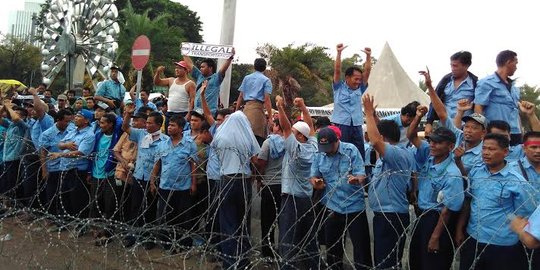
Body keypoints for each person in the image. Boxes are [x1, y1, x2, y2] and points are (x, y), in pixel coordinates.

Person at [457, 133, 535, 270]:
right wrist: (460, 229)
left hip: (502, 244)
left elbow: (525, 214)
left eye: (492, 149)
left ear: (505, 152)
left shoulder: (516, 182)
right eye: (484, 148)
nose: (486, 153)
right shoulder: (476, 172)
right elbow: (469, 201)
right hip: (473, 237)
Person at [406, 105, 464, 270]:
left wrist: (435, 237)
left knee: (433, 263)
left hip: (438, 221)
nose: (432, 145)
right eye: (431, 141)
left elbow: (447, 210)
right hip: (422, 216)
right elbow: (411, 136)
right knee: (416, 260)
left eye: (438, 143)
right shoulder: (429, 156)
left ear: (450, 147)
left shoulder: (452, 174)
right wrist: (417, 117)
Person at [363, 94, 415, 269]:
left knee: (386, 263)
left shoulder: (397, 154)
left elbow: (376, 140)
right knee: (384, 261)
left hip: (391, 216)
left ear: (384, 136)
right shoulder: (387, 157)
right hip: (384, 215)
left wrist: (368, 114)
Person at [310, 127, 372, 270]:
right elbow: (313, 176)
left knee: (361, 248)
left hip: (354, 207)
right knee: (333, 249)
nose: (327, 150)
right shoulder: (320, 154)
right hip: (332, 207)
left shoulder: (350, 151)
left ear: (337, 141)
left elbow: (361, 174)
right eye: (323, 147)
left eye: (329, 146)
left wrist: (357, 179)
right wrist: (316, 183)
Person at [211, 110, 260, 269]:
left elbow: (216, 153)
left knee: (227, 223)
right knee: (243, 223)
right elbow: (256, 160)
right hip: (244, 181)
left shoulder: (220, 134)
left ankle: (229, 263)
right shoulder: (247, 136)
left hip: (226, 179)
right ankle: (244, 261)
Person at [276, 95, 320, 269]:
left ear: (300, 137)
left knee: (287, 238)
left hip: (291, 199)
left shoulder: (297, 149)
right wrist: (303, 106)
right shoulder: (313, 146)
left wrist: (280, 107)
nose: (290, 136)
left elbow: (286, 128)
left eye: (295, 134)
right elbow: (310, 127)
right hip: (307, 198)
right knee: (308, 238)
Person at [421, 69, 485, 175]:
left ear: (483, 133)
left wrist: (458, 161)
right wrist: (430, 87)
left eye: (474, 128)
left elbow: (469, 181)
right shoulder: (459, 136)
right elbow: (442, 113)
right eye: (466, 126)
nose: (468, 130)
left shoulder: (484, 152)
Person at [121, 109, 168, 250]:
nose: (147, 125)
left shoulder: (165, 140)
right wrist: (128, 115)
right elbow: (125, 127)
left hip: (152, 180)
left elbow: (160, 162)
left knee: (150, 208)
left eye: (150, 123)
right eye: (146, 122)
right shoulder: (141, 134)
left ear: (159, 125)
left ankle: (148, 237)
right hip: (138, 176)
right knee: (135, 206)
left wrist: (154, 181)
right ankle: (132, 235)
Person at [151, 115, 197, 252]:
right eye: (169, 125)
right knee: (166, 216)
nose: (169, 128)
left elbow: (193, 165)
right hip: (165, 186)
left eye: (173, 125)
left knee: (183, 217)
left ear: (181, 128)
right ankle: (167, 244)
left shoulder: (189, 145)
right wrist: (152, 182)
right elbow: (157, 164)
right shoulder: (162, 145)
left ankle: (184, 244)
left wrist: (193, 184)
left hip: (183, 187)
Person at [48, 109, 95, 229]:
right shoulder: (73, 131)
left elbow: (80, 152)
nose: (75, 118)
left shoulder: (89, 135)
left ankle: (81, 225)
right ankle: (65, 222)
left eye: (79, 116)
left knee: (78, 199)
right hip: (65, 168)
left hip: (77, 171)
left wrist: (60, 154)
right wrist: (67, 145)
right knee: (64, 198)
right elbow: (60, 144)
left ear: (86, 121)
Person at [87, 112, 123, 245]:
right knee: (95, 203)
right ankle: (96, 229)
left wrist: (114, 111)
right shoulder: (98, 135)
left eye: (103, 123)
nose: (100, 125)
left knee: (110, 204)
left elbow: (119, 121)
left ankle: (108, 232)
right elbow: (92, 154)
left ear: (110, 124)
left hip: (110, 175)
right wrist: (90, 172)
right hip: (97, 174)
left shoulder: (117, 136)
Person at [330, 43, 371, 158]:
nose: (358, 81)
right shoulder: (338, 87)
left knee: (358, 153)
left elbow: (367, 72)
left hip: (357, 125)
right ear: (347, 78)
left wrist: (368, 56)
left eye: (360, 79)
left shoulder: (360, 89)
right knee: (341, 152)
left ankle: (359, 174)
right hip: (341, 124)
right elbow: (337, 70)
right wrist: (338, 53)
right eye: (356, 79)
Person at [474, 50, 522, 145]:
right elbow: (478, 108)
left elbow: (515, 111)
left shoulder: (514, 88)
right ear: (508, 62)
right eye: (515, 63)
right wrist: (483, 130)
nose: (516, 67)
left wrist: (521, 131)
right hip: (496, 133)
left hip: (515, 132)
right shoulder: (486, 83)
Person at [425, 51, 478, 135]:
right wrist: (429, 122)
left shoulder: (475, 83)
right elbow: (434, 101)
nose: (452, 68)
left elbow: (478, 107)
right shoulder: (445, 80)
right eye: (451, 65)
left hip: (464, 129)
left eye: (455, 66)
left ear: (466, 66)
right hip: (444, 126)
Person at [510, 131, 540, 270]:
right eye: (533, 147)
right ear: (524, 148)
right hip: (517, 234)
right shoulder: (511, 171)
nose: (538, 151)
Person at [255, 118, 285, 259]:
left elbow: (261, 163)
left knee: (267, 220)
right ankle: (284, 250)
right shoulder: (289, 142)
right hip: (284, 186)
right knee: (283, 221)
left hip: (269, 185)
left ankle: (267, 250)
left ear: (278, 127)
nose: (272, 127)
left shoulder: (268, 142)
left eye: (274, 125)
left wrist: (259, 179)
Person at [112, 106, 145, 223]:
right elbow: (115, 150)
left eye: (137, 120)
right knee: (119, 199)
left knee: (132, 202)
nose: (134, 122)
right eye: (133, 120)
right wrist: (123, 161)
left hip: (136, 174)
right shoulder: (126, 135)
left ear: (145, 123)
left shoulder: (145, 136)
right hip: (121, 172)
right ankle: (117, 223)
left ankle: (128, 224)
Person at [39, 109, 73, 220]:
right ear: (58, 120)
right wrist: (44, 170)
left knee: (64, 195)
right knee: (52, 194)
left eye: (69, 121)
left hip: (67, 167)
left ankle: (64, 218)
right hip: (53, 168)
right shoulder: (47, 134)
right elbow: (43, 152)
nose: (68, 124)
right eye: (66, 121)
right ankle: (51, 218)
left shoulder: (71, 130)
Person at [183, 48, 235, 114]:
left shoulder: (216, 78)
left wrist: (230, 58)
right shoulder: (199, 76)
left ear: (210, 68)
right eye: (200, 67)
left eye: (203, 67)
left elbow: (223, 69)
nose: (200, 69)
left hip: (210, 113)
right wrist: (184, 52)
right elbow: (189, 65)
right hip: (197, 112)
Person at [235, 58, 273, 146]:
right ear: (264, 68)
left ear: (254, 67)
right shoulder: (266, 80)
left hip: (246, 110)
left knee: (244, 137)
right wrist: (270, 117)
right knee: (257, 139)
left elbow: (240, 96)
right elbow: (267, 99)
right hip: (257, 111)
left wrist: (236, 111)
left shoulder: (247, 78)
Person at [0, 100, 31, 201]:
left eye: (16, 112)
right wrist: (4, 106)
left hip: (15, 158)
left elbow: (16, 118)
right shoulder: (10, 125)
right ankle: (6, 204)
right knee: (5, 184)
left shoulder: (23, 126)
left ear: (23, 117)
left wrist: (9, 108)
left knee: (13, 184)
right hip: (6, 158)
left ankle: (13, 205)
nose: (13, 114)